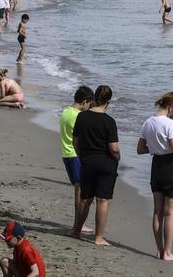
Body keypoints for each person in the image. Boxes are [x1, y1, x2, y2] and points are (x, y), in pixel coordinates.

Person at [136, 92, 173, 262]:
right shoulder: (170, 124)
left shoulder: (148, 122)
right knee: (170, 212)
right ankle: (167, 252)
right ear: (171, 106)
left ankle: (159, 251)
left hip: (156, 166)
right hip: (172, 167)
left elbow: (140, 149)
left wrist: (155, 148)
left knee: (157, 211)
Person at [69, 84, 119, 245]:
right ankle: (98, 237)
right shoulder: (109, 121)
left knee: (85, 198)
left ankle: (76, 231)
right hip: (106, 163)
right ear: (108, 102)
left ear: (95, 98)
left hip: (87, 161)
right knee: (102, 200)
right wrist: (118, 157)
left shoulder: (82, 117)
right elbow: (113, 147)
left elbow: (75, 140)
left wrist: (81, 155)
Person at [60, 86, 94, 235]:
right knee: (80, 191)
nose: (89, 107)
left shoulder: (66, 111)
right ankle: (79, 222)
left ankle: (79, 222)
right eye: (89, 104)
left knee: (78, 189)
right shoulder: (77, 116)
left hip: (66, 153)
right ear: (85, 101)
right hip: (75, 155)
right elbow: (80, 138)